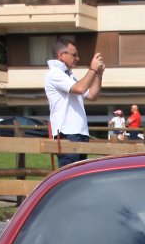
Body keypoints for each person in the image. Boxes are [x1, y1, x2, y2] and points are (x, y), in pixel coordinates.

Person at [44, 36, 104, 166]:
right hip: (67, 134)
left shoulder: (69, 76)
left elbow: (92, 95)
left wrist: (98, 75)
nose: (77, 58)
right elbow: (80, 88)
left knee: (79, 175)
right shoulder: (54, 74)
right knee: (70, 175)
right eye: (74, 55)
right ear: (61, 55)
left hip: (78, 133)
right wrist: (93, 69)